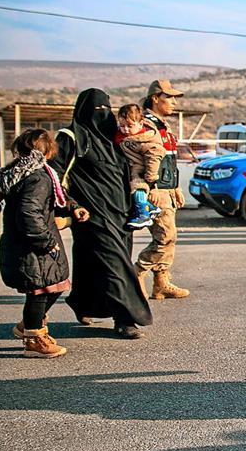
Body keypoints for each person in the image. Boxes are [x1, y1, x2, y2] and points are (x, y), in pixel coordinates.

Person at [0, 128, 89, 358]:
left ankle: (30, 323)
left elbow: (56, 196)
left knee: (53, 285)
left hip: (25, 244)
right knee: (40, 290)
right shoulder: (37, 176)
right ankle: (34, 337)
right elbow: (29, 212)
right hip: (33, 247)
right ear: (48, 151)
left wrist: (72, 207)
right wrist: (46, 242)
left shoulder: (26, 171)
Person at [53, 89, 153, 339]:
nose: (103, 115)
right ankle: (126, 318)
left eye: (107, 109)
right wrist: (72, 205)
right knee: (115, 265)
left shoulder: (116, 139)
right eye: (97, 110)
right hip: (91, 215)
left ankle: (84, 304)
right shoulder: (70, 137)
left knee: (92, 264)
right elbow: (54, 174)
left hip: (121, 214)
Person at [134, 79, 189, 300]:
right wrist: (153, 187)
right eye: (169, 97)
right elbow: (145, 159)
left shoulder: (161, 124)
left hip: (167, 188)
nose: (174, 102)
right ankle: (137, 272)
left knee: (170, 238)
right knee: (165, 236)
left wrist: (175, 187)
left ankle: (161, 282)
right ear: (155, 99)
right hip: (156, 190)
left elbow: (168, 159)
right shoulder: (146, 124)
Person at [116, 103, 164, 231]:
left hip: (140, 170)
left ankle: (143, 214)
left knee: (137, 187)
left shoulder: (145, 139)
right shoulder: (122, 136)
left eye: (130, 126)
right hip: (128, 168)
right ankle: (151, 208)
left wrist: (151, 177)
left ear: (141, 123)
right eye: (122, 126)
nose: (125, 130)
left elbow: (154, 156)